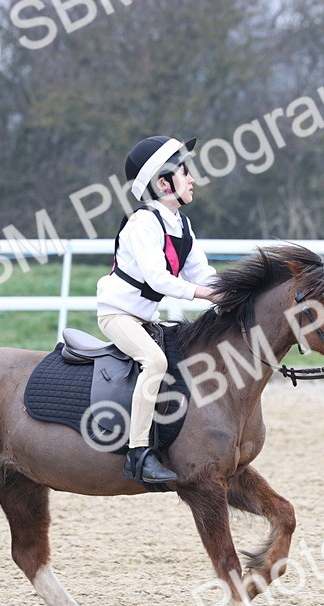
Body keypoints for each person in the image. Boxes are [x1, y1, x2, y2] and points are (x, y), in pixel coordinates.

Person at [96, 135, 220, 484]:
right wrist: (203, 295)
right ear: (164, 184)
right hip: (117, 315)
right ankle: (138, 453)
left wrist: (231, 291)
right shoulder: (143, 223)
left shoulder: (182, 224)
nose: (192, 179)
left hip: (146, 318)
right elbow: (158, 278)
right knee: (155, 362)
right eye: (185, 172)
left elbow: (202, 273)